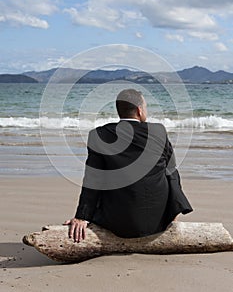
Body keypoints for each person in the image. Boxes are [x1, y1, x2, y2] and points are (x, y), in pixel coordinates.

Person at [64, 89, 193, 242]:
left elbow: (93, 180)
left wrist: (82, 216)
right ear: (139, 110)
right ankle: (174, 215)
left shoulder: (99, 135)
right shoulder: (158, 131)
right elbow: (171, 170)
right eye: (145, 107)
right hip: (159, 220)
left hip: (118, 223)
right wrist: (172, 212)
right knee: (169, 170)